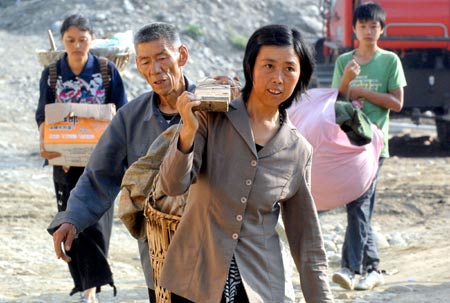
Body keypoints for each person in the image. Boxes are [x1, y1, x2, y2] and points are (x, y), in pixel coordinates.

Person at [47, 22, 239, 303]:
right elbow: (99, 174)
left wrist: (240, 99)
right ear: (138, 65)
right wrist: (72, 218)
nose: (155, 69)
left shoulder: (214, 105)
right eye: (146, 61)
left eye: (163, 58)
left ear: (182, 56)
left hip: (214, 246)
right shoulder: (130, 118)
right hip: (160, 250)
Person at [158, 24, 334, 303]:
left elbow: (307, 242)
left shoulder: (298, 150)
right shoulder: (213, 117)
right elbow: (171, 184)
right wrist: (188, 131)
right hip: (195, 278)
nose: (278, 78)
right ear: (251, 67)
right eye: (268, 66)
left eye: (289, 68)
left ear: (301, 76)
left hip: (260, 286)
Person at [35, 14, 127, 303]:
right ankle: (86, 286)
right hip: (65, 163)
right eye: (70, 40)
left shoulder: (106, 70)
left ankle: (91, 288)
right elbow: (43, 115)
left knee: (97, 226)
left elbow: (122, 112)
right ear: (63, 41)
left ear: (92, 39)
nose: (76, 45)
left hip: (102, 164)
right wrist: (45, 143)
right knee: (70, 222)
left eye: (82, 40)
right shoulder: (51, 73)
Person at [330, 2, 407, 291]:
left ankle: (350, 268)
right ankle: (372, 267)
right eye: (363, 26)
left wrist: (362, 91)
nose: (368, 30)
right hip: (349, 143)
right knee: (361, 206)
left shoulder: (389, 61)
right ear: (354, 30)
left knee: (358, 204)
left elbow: (397, 103)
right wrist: (348, 81)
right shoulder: (344, 61)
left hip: (375, 145)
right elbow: (337, 100)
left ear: (382, 30)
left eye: (374, 26)